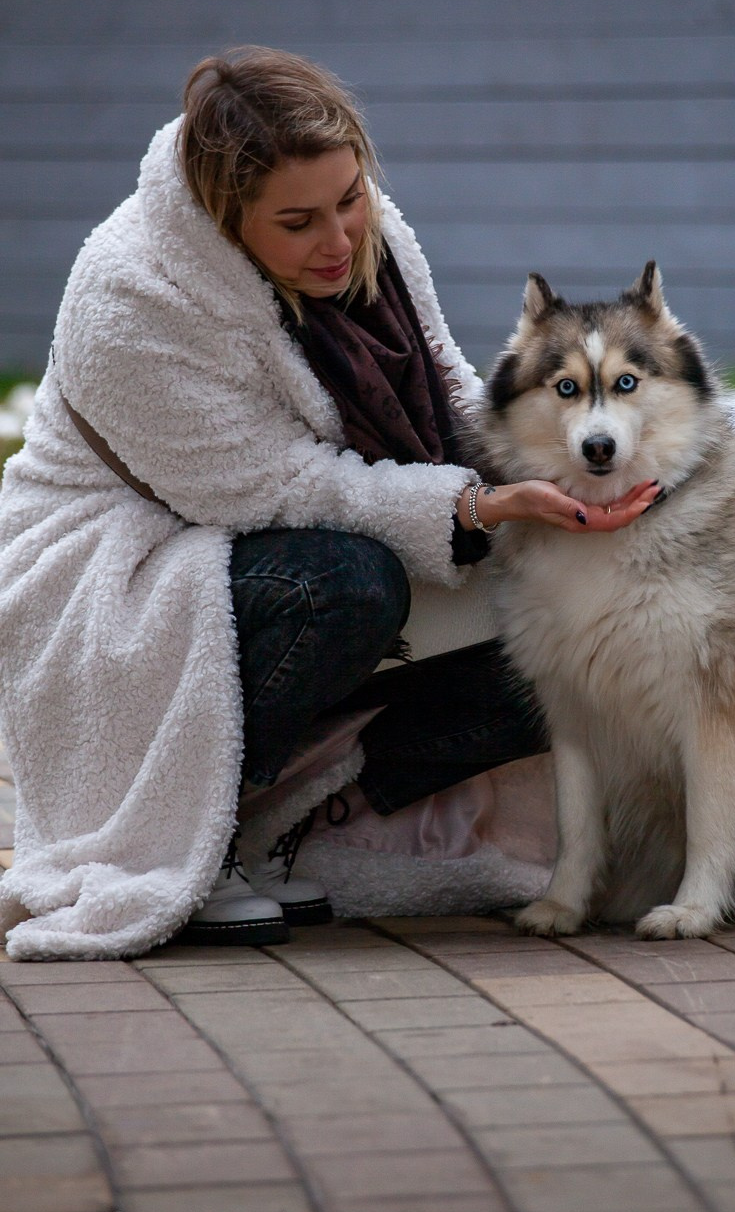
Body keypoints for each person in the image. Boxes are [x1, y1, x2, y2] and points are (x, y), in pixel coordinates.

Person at [0, 46, 658, 960]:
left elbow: (445, 386)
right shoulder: (131, 294)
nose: (342, 240)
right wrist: (476, 510)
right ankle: (203, 840)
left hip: (300, 530)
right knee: (344, 587)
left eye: (350, 198)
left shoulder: (368, 232)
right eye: (299, 221)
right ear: (225, 220)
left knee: (563, 639)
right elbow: (279, 488)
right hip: (122, 560)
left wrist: (562, 480)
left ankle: (304, 814)